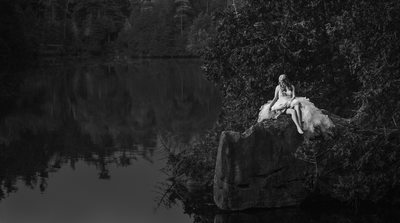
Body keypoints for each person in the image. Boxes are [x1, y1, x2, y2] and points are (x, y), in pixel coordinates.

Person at [257, 74, 334, 135]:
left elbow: (293, 96)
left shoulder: (291, 86)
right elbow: (275, 98)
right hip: (281, 104)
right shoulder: (278, 88)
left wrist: (290, 102)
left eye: (283, 81)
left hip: (290, 101)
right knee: (292, 111)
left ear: (286, 80)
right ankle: (298, 127)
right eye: (281, 81)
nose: (282, 83)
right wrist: (270, 106)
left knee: (297, 104)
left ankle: (300, 124)